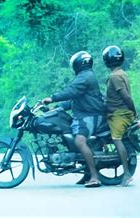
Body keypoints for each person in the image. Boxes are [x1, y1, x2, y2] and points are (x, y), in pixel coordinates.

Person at [42, 51, 106, 188]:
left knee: (79, 141)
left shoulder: (85, 77)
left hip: (91, 115)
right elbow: (73, 100)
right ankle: (87, 174)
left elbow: (71, 92)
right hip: (84, 114)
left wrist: (52, 98)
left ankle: (94, 176)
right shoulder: (85, 76)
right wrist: (56, 108)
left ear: (78, 64)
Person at [102, 45, 137, 187]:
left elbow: (126, 97)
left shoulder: (114, 76)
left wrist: (134, 111)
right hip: (119, 112)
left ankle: (127, 174)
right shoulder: (121, 73)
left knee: (117, 139)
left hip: (119, 114)